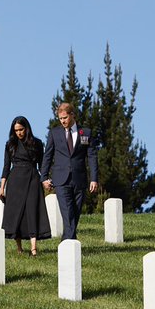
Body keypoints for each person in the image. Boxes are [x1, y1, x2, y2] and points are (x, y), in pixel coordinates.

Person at [40, 102, 98, 240]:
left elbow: (92, 157)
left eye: (65, 118)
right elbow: (48, 155)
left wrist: (94, 179)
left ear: (72, 115)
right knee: (67, 212)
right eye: (60, 119)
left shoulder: (86, 133)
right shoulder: (54, 133)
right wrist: (44, 177)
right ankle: (70, 243)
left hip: (80, 179)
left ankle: (66, 242)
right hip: (61, 179)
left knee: (75, 213)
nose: (63, 121)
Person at [0, 115, 50, 255]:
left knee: (32, 209)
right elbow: (5, 167)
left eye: (21, 129)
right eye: (16, 130)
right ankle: (19, 247)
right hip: (15, 180)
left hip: (33, 178)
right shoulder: (10, 145)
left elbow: (42, 165)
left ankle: (33, 248)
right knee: (16, 213)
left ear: (26, 128)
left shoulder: (37, 143)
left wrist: (45, 180)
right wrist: (2, 188)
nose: (19, 133)